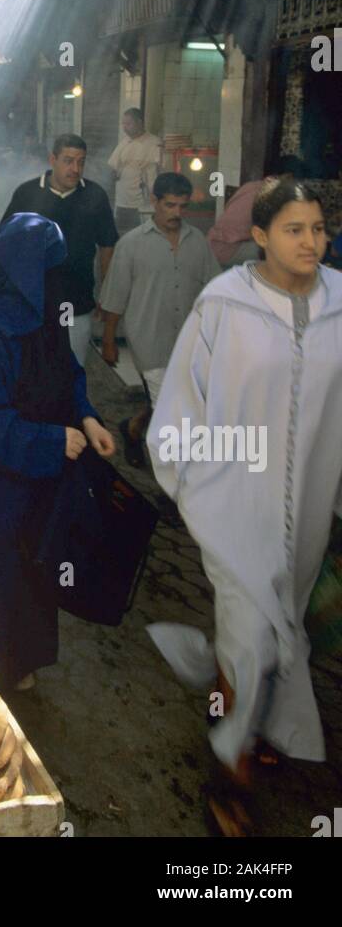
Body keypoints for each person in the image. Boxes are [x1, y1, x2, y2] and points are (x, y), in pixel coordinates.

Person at [146, 177, 342, 836]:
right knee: (249, 637)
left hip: (311, 511)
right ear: (259, 237)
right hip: (236, 506)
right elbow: (180, 405)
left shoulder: (341, 303)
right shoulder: (224, 304)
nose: (312, 241)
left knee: (287, 629)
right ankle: (226, 779)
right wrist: (197, 489)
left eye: (318, 228)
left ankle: (248, 716)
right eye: (295, 229)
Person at [0, 213, 115, 692]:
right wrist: (52, 441)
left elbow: (67, 372)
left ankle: (20, 659)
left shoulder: (45, 311)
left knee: (34, 570)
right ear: (27, 268)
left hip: (38, 476)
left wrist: (88, 417)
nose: (60, 277)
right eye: (52, 266)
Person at [100, 172, 221, 466]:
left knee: (179, 405)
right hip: (149, 341)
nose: (176, 213)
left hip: (190, 342)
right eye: (169, 205)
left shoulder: (198, 242)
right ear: (154, 202)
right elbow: (115, 296)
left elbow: (214, 289)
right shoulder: (131, 244)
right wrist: (108, 341)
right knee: (172, 415)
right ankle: (172, 483)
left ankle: (133, 427)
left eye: (182, 206)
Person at [0, 133, 118, 364]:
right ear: (52, 160)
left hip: (74, 302)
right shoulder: (27, 193)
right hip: (33, 302)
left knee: (70, 368)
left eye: (81, 162)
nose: (75, 168)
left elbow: (107, 245)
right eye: (68, 160)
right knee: (33, 369)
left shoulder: (94, 196)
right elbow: (8, 242)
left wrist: (106, 292)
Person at [207, 157, 307, 267]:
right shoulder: (272, 194)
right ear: (288, 176)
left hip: (212, 245)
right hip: (227, 250)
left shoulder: (251, 186)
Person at [108, 108, 162, 235]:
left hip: (143, 202)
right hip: (122, 201)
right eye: (123, 124)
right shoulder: (125, 142)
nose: (125, 128)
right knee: (122, 235)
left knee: (142, 235)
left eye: (128, 124)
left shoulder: (154, 142)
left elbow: (160, 170)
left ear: (139, 122)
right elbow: (113, 166)